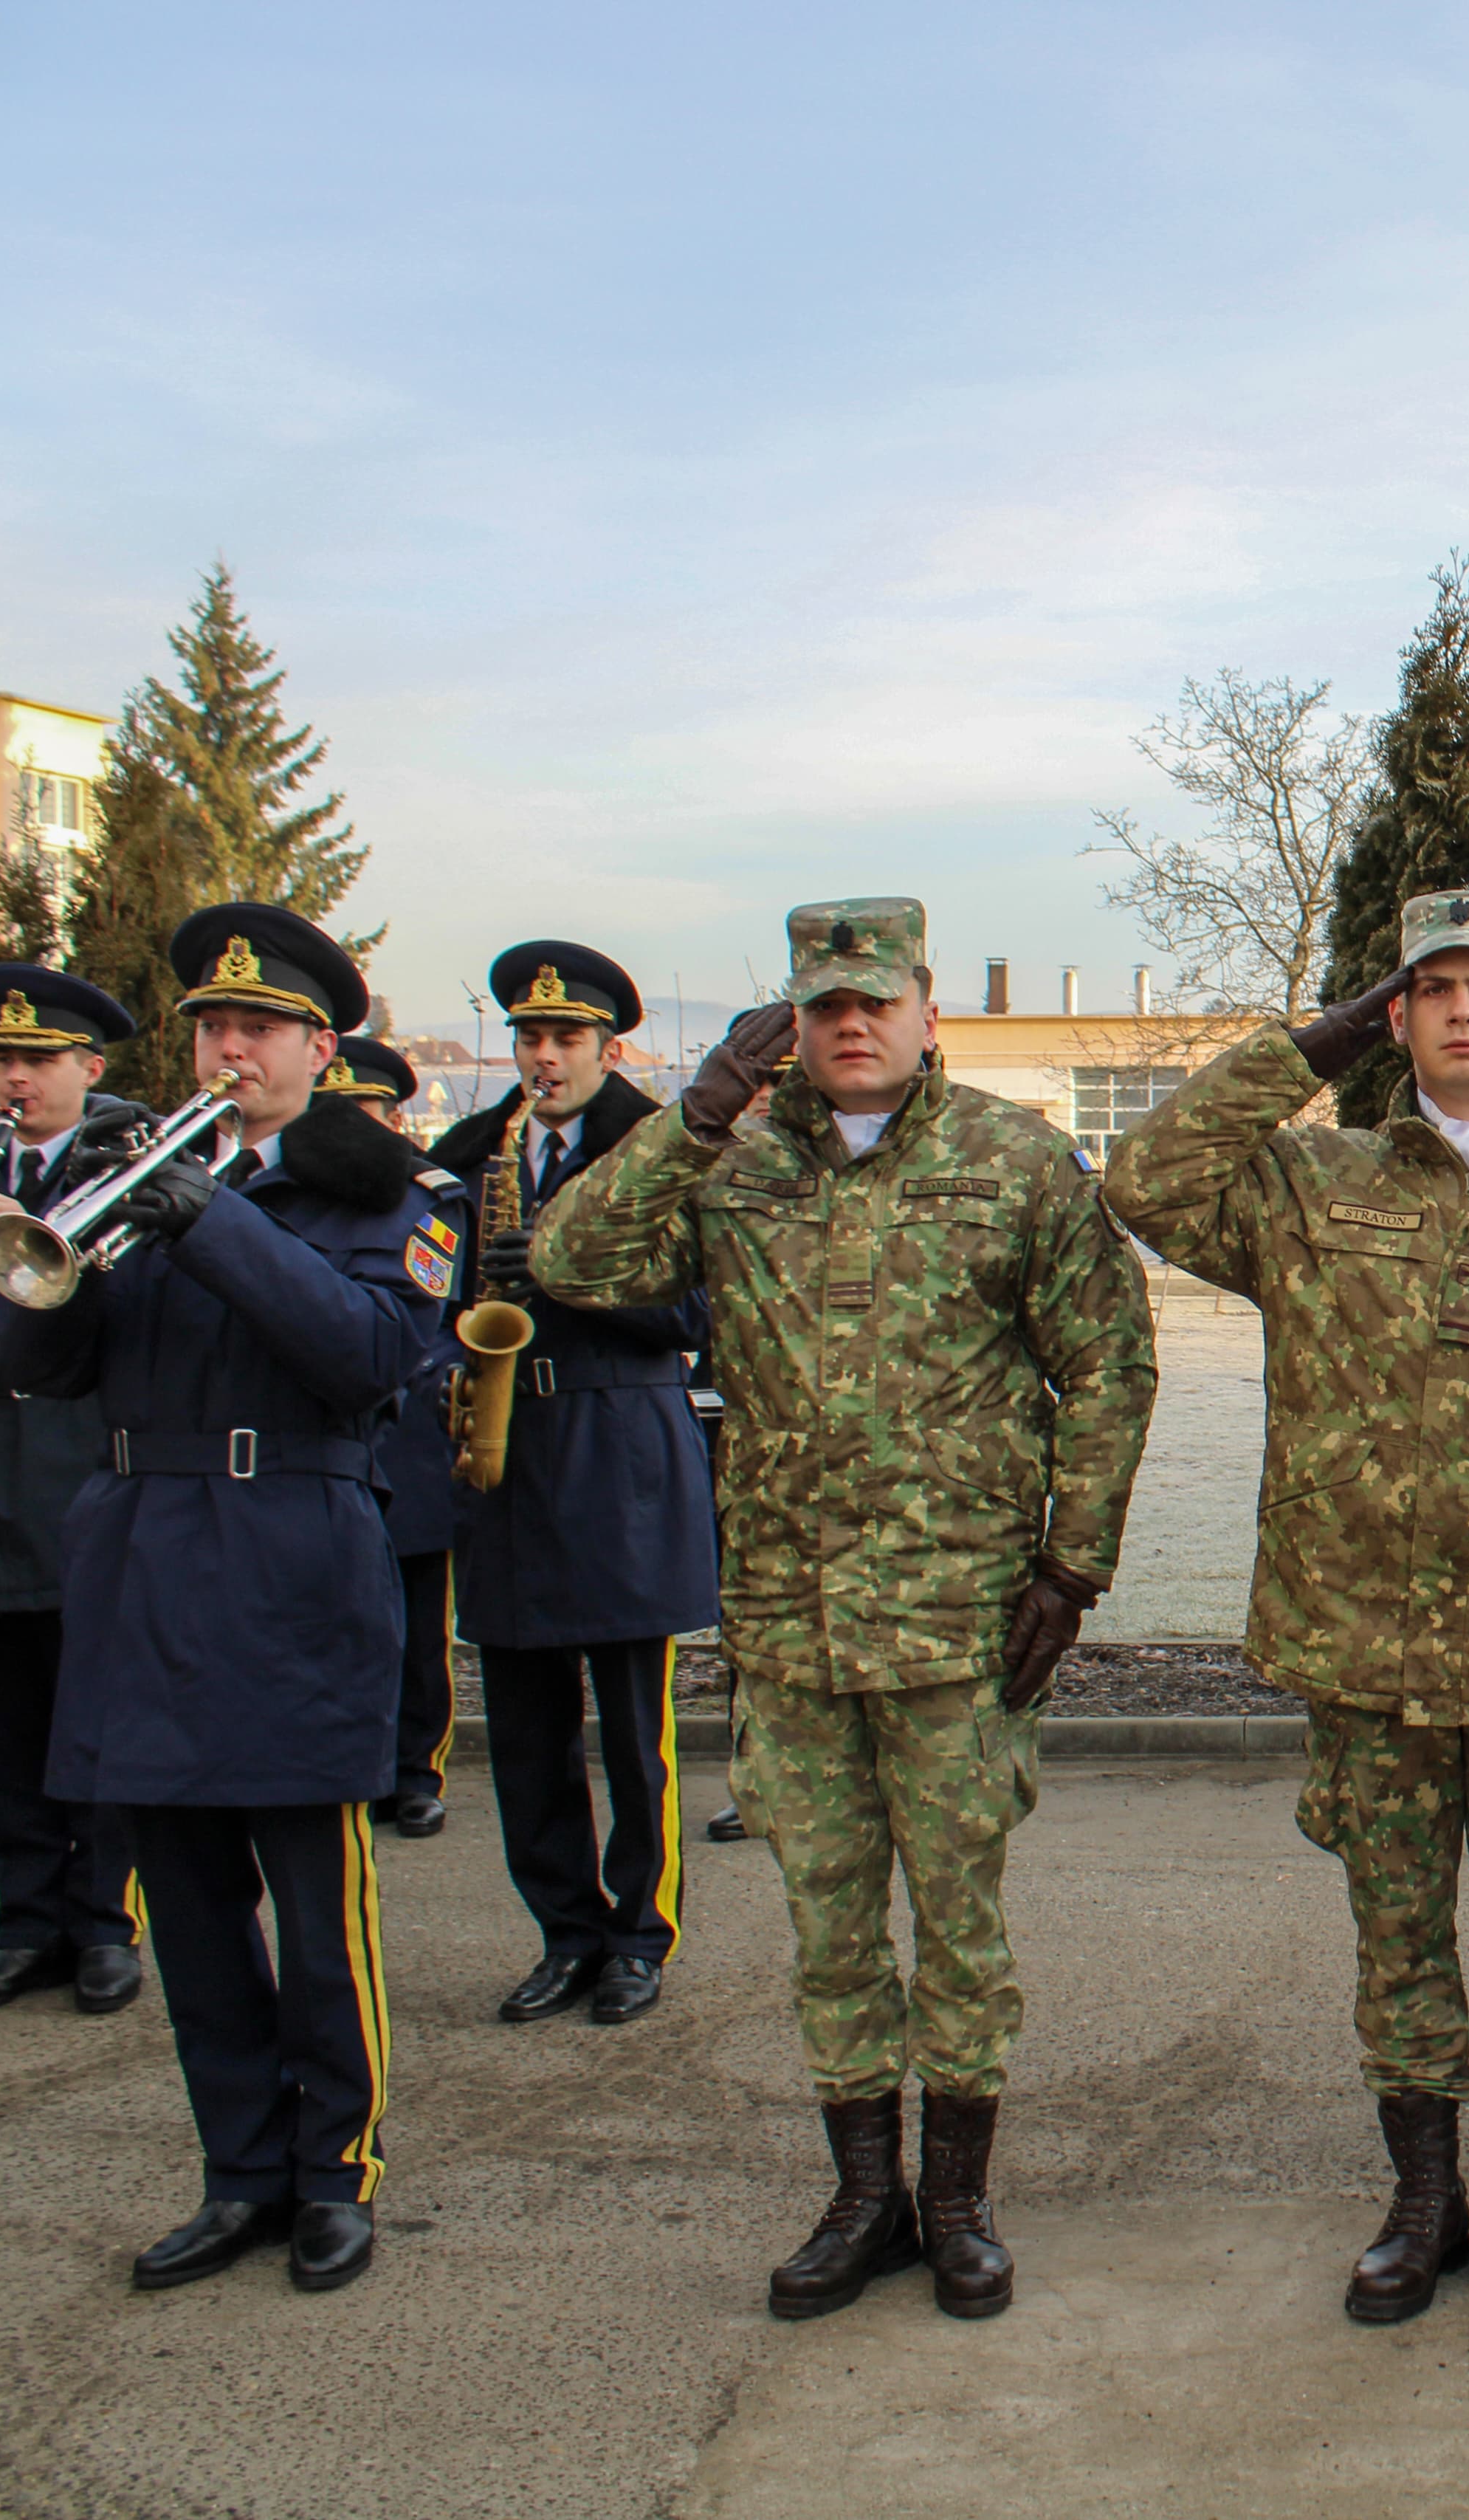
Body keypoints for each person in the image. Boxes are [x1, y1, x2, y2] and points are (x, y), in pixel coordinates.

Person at [530, 899, 1154, 2324]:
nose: (853, 1024)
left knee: (961, 1926)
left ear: (930, 1013)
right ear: (790, 1025)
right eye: (824, 1006)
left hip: (959, 1619)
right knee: (831, 1931)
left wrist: (1073, 1565)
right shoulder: (731, 1162)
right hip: (793, 1619)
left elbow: (1110, 1363)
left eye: (877, 1000)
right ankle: (864, 2194)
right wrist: (695, 1114)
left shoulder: (1013, 1161)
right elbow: (572, 1264)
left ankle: (959, 2199)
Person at [1104, 889, 1469, 2330]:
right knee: (1397, 1938)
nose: (1460, 1007)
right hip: (1364, 1642)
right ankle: (1421, 2198)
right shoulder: (1311, 1186)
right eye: (1431, 986)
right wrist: (1305, 1047)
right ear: (1398, 1013)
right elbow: (1142, 1177)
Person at [0, 905, 455, 2296]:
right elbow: (30, 1362)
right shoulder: (135, 1179)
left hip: (295, 1561)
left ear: (320, 1050)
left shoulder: (387, 1196)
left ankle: (335, 2169)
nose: (228, 1048)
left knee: (316, 1912)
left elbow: (366, 1357)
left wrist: (212, 1222)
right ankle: (239, 2169)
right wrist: (44, 1248)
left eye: (259, 1028)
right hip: (145, 1565)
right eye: (210, 1027)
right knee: (187, 1909)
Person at [430, 947, 719, 2025]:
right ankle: (564, 1932)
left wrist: (563, 1269)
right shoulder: (476, 1155)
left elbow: (695, 1314)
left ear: (611, 1050)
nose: (544, 1057)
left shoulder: (656, 1151)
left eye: (567, 1039)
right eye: (530, 1038)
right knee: (524, 1736)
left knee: (635, 1735)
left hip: (617, 1449)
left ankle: (640, 1936)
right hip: (509, 1455)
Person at [0, 966, 146, 2015]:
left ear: (88, 1069)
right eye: (3, 1058)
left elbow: (118, 1313)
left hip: (71, 1456)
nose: (17, 1078)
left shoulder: (125, 1167)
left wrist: (6, 1241)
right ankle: (26, 1924)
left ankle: (104, 1921)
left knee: (86, 1713)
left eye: (39, 1059)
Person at [319, 1036, 461, 1841]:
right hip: (323, 1437)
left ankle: (414, 1770)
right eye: (332, 1109)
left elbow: (442, 1313)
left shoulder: (423, 1197)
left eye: (362, 1110)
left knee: (416, 1622)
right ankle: (353, 1758)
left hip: (406, 1430)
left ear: (395, 1117)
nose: (347, 1124)